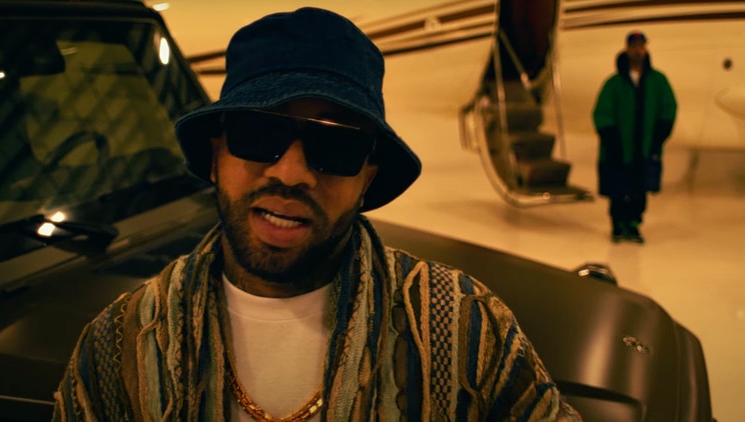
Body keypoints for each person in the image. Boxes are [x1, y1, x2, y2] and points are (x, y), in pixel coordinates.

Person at [53, 7, 581, 421]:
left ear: (367, 177)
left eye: (335, 147)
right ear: (215, 156)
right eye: (259, 133)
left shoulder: (464, 330)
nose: (291, 172)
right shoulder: (120, 344)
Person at [592, 31, 677, 243]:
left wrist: (659, 135)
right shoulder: (613, 83)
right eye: (634, 47)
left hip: (645, 147)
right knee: (618, 188)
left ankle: (634, 224)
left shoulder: (658, 81)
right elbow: (601, 113)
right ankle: (617, 225)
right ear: (627, 49)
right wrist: (611, 139)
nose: (638, 51)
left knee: (640, 189)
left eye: (641, 46)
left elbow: (669, 108)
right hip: (619, 149)